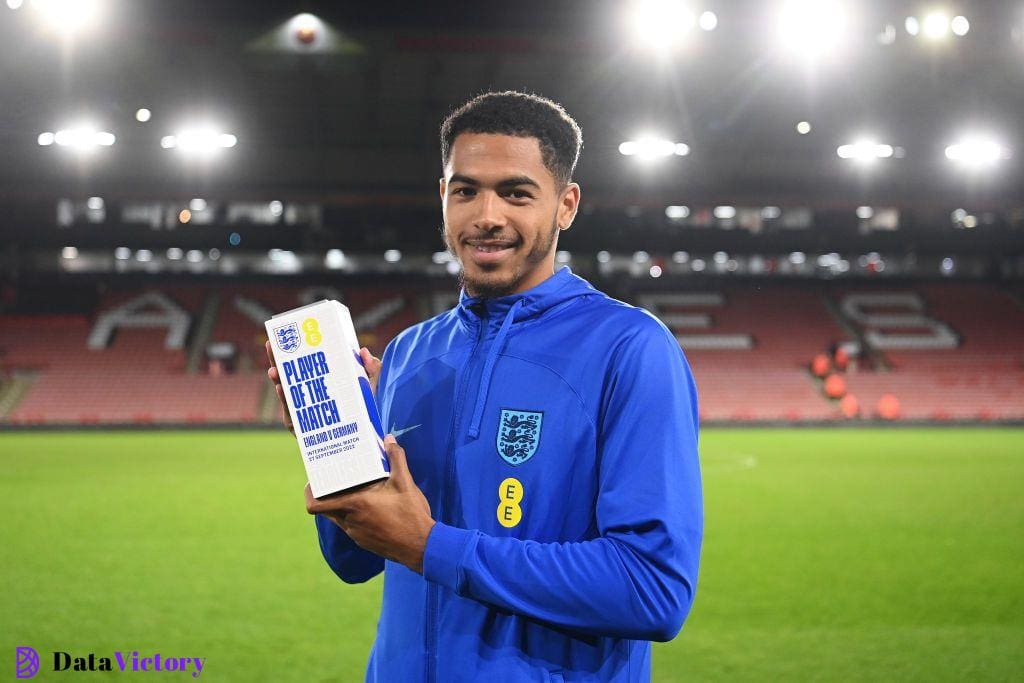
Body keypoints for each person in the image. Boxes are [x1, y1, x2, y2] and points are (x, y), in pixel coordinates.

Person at [265, 91, 702, 682]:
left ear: (566, 205)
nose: (486, 215)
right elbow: (352, 560)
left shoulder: (630, 348)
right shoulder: (409, 354)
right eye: (466, 190)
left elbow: (651, 589)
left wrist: (431, 547)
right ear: (443, 198)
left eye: (516, 193)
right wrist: (338, 445)